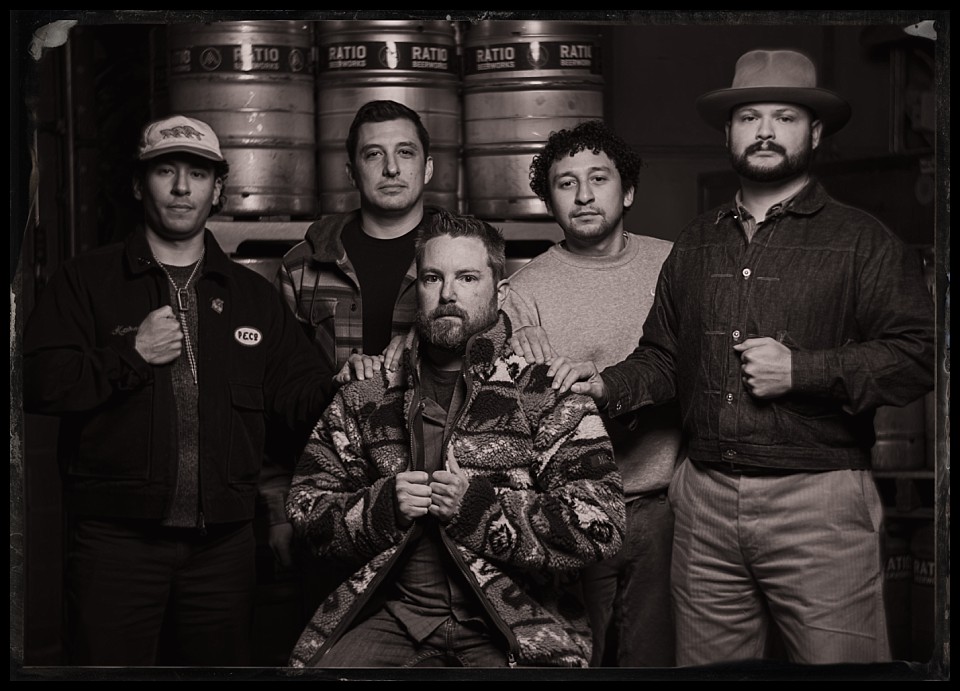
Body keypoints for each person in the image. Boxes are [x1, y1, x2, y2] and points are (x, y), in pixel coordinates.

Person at [551, 49, 936, 666]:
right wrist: (606, 388)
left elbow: (918, 355)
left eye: (784, 116)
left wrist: (802, 371)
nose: (763, 130)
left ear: (813, 132)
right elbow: (662, 358)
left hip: (819, 500)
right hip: (702, 503)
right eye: (747, 116)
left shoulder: (861, 241)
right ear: (728, 132)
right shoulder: (697, 242)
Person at [22, 114, 334, 666]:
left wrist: (359, 384)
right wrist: (129, 356)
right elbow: (40, 382)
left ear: (218, 189)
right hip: (115, 545)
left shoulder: (252, 296)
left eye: (199, 174)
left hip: (225, 547)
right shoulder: (85, 281)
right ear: (139, 185)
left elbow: (299, 394)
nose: (183, 187)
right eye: (166, 171)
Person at [284, 209, 625, 668]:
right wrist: (380, 508)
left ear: (499, 291)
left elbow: (602, 520)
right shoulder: (368, 393)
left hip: (514, 620)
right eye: (432, 278)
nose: (448, 293)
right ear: (417, 290)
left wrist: (479, 511)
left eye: (467, 278)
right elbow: (306, 506)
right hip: (393, 615)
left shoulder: (545, 390)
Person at [501, 120, 684, 667]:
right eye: (565, 183)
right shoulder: (524, 289)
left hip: (663, 505)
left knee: (654, 660)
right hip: (570, 511)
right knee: (577, 658)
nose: (583, 195)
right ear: (547, 201)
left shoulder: (674, 263)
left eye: (598, 178)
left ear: (626, 191)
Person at [276, 99, 439, 384]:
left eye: (405, 152)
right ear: (352, 174)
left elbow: (491, 357)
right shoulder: (302, 266)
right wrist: (335, 385)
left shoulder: (468, 258)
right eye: (374, 154)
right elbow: (283, 380)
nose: (391, 168)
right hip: (333, 427)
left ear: (427, 168)